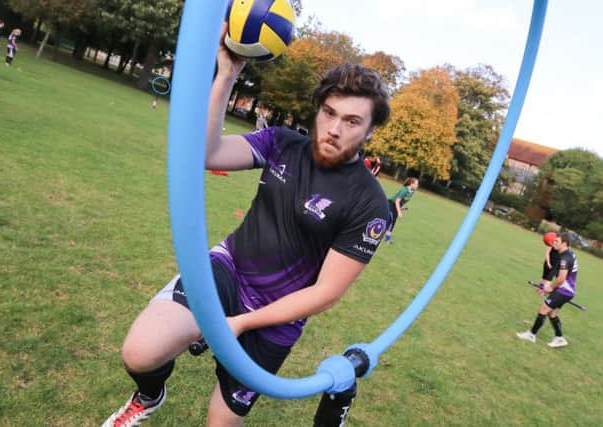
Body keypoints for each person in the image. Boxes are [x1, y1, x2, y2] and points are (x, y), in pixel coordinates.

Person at [102, 24, 391, 427]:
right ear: (318, 108)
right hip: (228, 271)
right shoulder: (281, 143)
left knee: (221, 424)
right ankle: (149, 395)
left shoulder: (371, 204)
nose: (335, 129)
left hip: (276, 320)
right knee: (139, 351)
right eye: (328, 113)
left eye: (352, 121)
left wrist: (239, 324)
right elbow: (208, 153)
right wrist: (227, 77)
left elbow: (325, 294)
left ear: (370, 130)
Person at [517, 232, 578, 348]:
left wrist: (550, 287)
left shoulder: (565, 258)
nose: (553, 243)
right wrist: (545, 285)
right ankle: (559, 338)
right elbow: (555, 271)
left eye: (556, 241)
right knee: (552, 313)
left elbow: (561, 279)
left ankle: (531, 335)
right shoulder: (567, 254)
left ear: (564, 243)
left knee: (544, 309)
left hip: (564, 291)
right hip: (566, 290)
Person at [384, 177, 419, 244]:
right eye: (416, 184)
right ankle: (386, 238)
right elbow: (397, 201)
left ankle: (386, 238)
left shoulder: (412, 191)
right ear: (412, 183)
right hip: (391, 204)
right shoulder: (404, 190)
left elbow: (402, 201)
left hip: (397, 205)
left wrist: (401, 207)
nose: (417, 186)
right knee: (391, 220)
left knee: (391, 220)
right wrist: (399, 212)